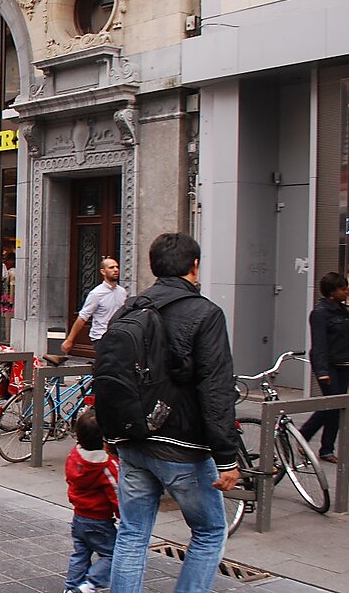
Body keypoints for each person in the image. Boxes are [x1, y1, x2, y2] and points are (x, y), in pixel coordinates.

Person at [108, 233, 238, 593]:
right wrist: (227, 457)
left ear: (154, 267)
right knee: (210, 531)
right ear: (195, 266)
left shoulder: (129, 309)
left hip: (132, 440)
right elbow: (215, 387)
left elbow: (109, 376)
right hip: (182, 447)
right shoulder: (205, 313)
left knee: (133, 533)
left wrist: (110, 436)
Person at [299, 272, 349, 465]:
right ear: (332, 292)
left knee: (337, 407)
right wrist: (323, 372)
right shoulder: (320, 313)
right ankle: (303, 435)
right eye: (342, 289)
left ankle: (326, 448)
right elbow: (319, 345)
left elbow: (348, 330)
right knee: (329, 406)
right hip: (330, 366)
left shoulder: (342, 310)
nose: (346, 293)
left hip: (344, 364)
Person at [64, 410, 119, 593]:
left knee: (80, 554)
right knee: (113, 554)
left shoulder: (74, 456)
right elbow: (116, 492)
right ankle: (90, 584)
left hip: (79, 516)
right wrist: (123, 515)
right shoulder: (106, 466)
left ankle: (71, 587)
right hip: (99, 520)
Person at [62, 258, 126, 355]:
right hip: (101, 337)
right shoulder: (96, 294)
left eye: (117, 267)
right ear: (103, 272)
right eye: (111, 267)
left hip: (119, 336)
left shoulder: (122, 292)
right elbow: (83, 317)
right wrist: (70, 339)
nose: (116, 270)